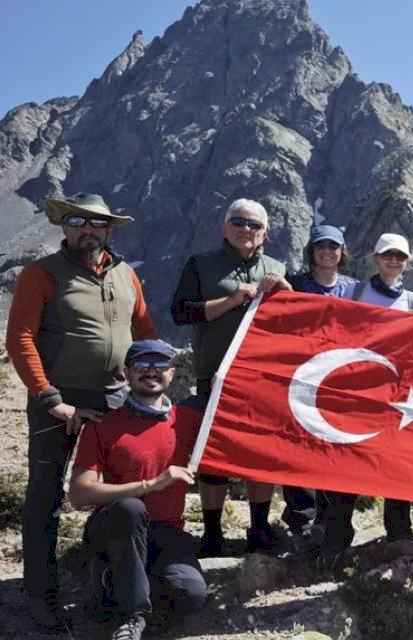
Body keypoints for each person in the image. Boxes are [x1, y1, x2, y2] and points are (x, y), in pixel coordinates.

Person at [4, 193, 158, 627]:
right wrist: (50, 398)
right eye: (78, 221)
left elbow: (145, 331)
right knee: (46, 496)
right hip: (58, 397)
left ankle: (111, 583)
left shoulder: (127, 275)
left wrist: (152, 381)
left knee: (121, 494)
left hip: (114, 398)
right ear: (65, 227)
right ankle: (40, 594)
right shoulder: (42, 274)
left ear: (110, 229)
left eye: (97, 223)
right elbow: (21, 339)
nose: (88, 230)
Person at [170, 198, 292, 556]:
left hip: (262, 380)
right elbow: (180, 312)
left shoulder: (277, 267)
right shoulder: (201, 265)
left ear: (265, 233)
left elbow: (296, 319)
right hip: (216, 375)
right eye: (238, 223)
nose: (246, 230)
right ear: (225, 227)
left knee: (261, 455)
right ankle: (211, 533)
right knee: (214, 455)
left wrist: (285, 289)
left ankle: (258, 527)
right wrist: (231, 300)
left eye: (254, 225)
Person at [68, 340, 206, 640]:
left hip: (165, 531)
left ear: (172, 373)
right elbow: (78, 494)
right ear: (126, 374)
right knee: (131, 508)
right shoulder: (103, 424)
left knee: (191, 595)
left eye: (160, 365)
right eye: (142, 365)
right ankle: (133, 616)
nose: (151, 372)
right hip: (116, 526)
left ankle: (112, 580)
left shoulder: (190, 422)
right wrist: (149, 485)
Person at [316, 232, 413, 558]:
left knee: (394, 458)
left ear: (407, 263)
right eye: (387, 255)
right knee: (349, 459)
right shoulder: (355, 292)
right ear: (375, 258)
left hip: (393, 393)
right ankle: (337, 533)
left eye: (400, 257)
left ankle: (398, 528)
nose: (394, 261)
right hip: (357, 390)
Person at [283, 224, 360, 546]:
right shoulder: (296, 285)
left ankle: (334, 520)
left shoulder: (356, 290)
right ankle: (300, 518)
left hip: (342, 382)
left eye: (333, 246)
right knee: (299, 447)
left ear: (342, 252)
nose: (327, 252)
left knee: (338, 448)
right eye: (321, 246)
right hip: (303, 378)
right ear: (311, 251)